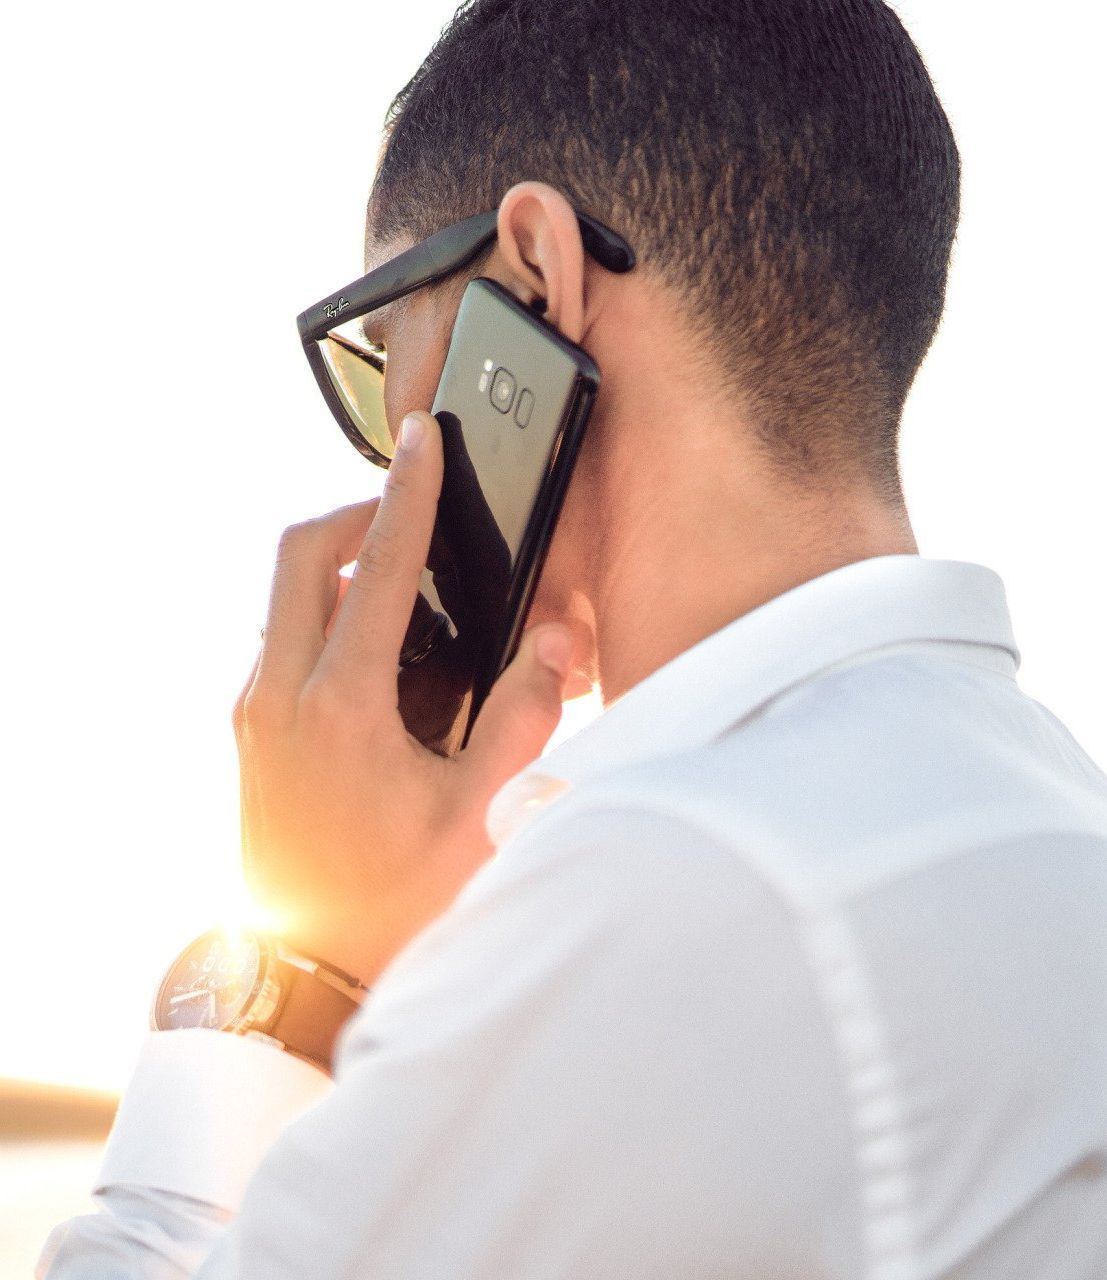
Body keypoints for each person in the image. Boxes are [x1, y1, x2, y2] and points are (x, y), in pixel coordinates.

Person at [39, 0, 1107, 1276]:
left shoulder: (681, 888)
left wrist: (295, 975)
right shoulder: (1041, 814)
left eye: (391, 355)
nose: (393, 459)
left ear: (535, 281)